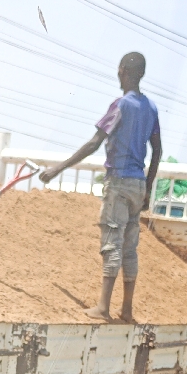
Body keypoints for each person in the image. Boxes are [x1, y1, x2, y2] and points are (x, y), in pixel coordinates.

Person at [40, 52, 162, 323]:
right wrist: (148, 187)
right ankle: (126, 309)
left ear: (123, 71)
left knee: (112, 242)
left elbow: (94, 143)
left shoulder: (121, 105)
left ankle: (103, 307)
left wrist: (58, 168)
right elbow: (157, 150)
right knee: (130, 248)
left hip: (118, 182)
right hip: (138, 184)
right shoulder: (151, 108)